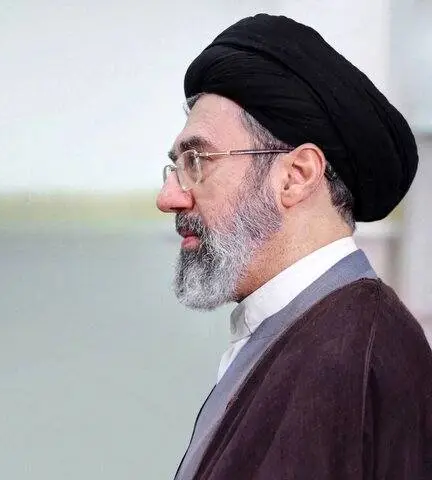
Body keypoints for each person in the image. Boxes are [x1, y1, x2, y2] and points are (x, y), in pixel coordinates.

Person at [156, 14, 432, 480]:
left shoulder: (355, 357)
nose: (169, 197)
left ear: (297, 176)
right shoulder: (310, 335)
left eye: (197, 161)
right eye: (176, 167)